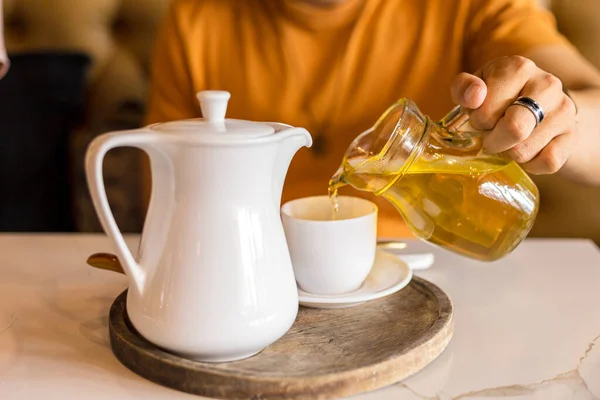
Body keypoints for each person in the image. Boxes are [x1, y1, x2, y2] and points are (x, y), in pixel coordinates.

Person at [145, 0, 600, 237]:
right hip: (255, 263)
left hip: (437, 270)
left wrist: (557, 119)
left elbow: (587, 103)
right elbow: (164, 198)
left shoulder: (470, 8)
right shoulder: (196, 20)